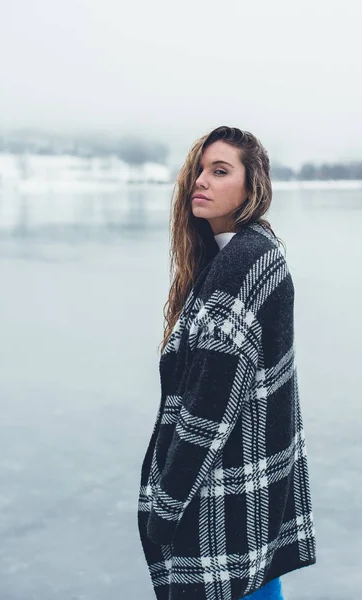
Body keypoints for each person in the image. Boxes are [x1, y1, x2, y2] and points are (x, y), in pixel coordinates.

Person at [137, 125, 316, 600]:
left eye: (220, 171)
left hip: (221, 493)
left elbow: (209, 407)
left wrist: (167, 507)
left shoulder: (242, 265)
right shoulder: (246, 255)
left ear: (251, 186)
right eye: (199, 170)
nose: (202, 181)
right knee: (257, 584)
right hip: (250, 491)